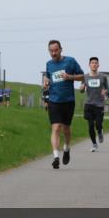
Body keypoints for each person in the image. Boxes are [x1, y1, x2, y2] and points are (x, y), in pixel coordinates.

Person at [43, 40, 84, 169]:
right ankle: (55, 157)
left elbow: (82, 76)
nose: (53, 53)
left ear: (61, 49)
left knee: (66, 129)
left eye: (56, 50)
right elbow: (48, 78)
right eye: (51, 51)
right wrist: (46, 81)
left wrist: (70, 77)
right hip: (54, 101)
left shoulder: (70, 61)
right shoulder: (49, 64)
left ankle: (66, 148)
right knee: (55, 128)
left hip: (68, 100)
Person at [80, 57, 108, 151]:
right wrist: (81, 88)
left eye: (96, 63)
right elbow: (81, 90)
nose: (94, 64)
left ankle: (100, 132)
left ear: (98, 65)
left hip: (99, 104)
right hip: (89, 104)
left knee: (98, 124)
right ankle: (94, 144)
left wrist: (105, 91)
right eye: (92, 63)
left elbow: (107, 89)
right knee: (91, 125)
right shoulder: (85, 77)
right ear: (89, 65)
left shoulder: (103, 77)